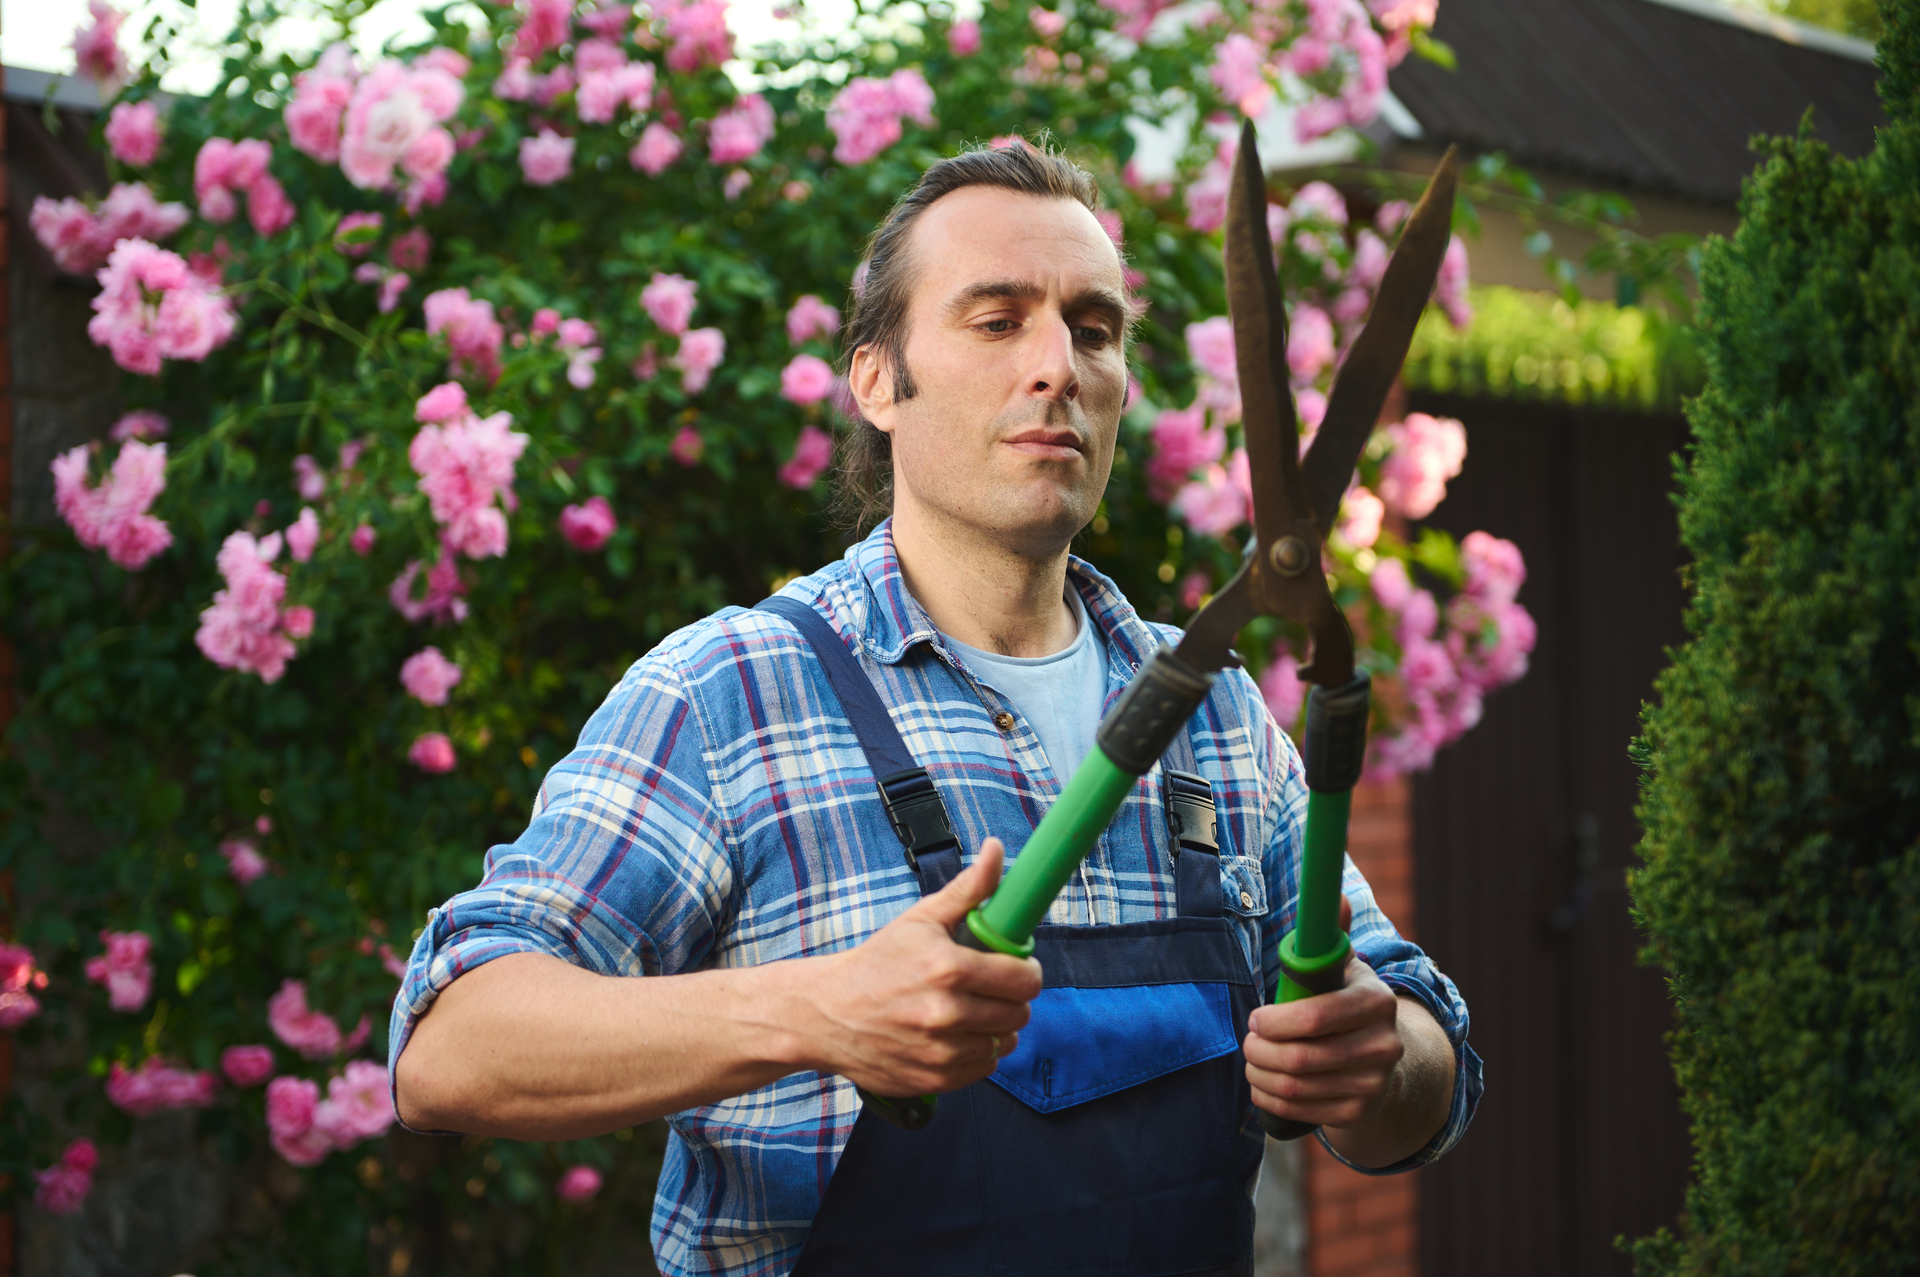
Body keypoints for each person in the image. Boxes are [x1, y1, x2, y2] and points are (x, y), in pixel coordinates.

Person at [391, 143, 1481, 1276]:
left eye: (1093, 328)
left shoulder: (1221, 720)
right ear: (875, 379)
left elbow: (1423, 1060)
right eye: (998, 319)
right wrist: (812, 1010)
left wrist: (1380, 1061)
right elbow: (449, 1048)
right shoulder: (729, 695)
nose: (1058, 363)